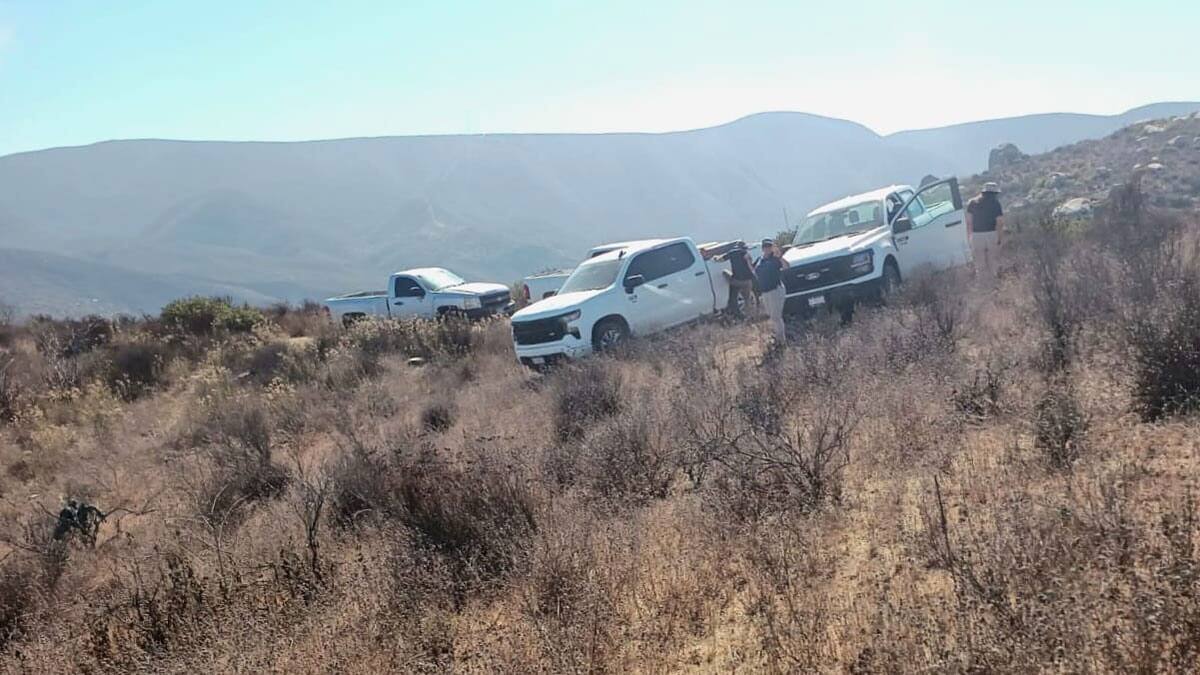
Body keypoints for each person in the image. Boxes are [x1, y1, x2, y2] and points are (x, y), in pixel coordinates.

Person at [755, 239, 789, 343]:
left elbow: (786, 267)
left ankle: (781, 340)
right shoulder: (759, 260)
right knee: (771, 316)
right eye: (765, 246)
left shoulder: (775, 259)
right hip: (765, 292)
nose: (767, 248)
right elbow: (754, 271)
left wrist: (780, 257)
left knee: (776, 317)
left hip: (775, 290)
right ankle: (777, 337)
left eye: (769, 246)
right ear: (762, 248)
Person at [966, 182, 1004, 275]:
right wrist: (999, 238)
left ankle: (983, 283)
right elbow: (1000, 223)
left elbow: (969, 222)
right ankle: (994, 282)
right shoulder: (996, 204)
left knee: (980, 265)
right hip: (991, 234)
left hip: (976, 235)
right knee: (992, 263)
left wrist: (969, 237)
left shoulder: (972, 203)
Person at [720, 241, 757, 318]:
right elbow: (751, 266)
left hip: (737, 281)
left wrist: (715, 257)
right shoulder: (746, 254)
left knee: (725, 272)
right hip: (748, 282)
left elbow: (721, 259)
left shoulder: (732, 253)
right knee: (747, 299)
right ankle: (749, 315)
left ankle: (732, 288)